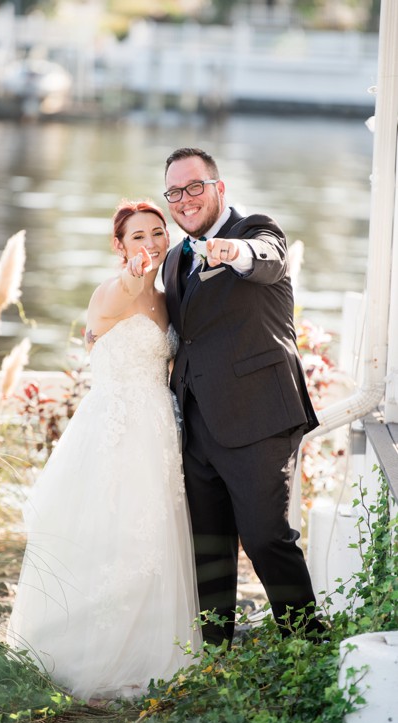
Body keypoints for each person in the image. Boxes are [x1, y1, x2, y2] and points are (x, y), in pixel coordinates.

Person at [7, 200, 201, 701]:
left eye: (158, 233)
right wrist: (134, 275)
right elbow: (127, 288)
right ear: (119, 246)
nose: (151, 244)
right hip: (115, 429)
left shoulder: (165, 293)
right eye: (138, 236)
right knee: (110, 534)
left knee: (151, 539)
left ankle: (148, 651)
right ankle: (90, 657)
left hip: (157, 428)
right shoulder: (116, 289)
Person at [160, 147, 322, 645]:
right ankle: (215, 655)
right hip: (196, 423)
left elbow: (267, 260)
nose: (184, 200)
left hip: (258, 418)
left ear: (219, 188)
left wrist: (234, 253)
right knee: (209, 547)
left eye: (194, 187)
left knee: (266, 537)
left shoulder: (257, 230)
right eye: (174, 192)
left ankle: (307, 649)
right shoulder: (173, 259)